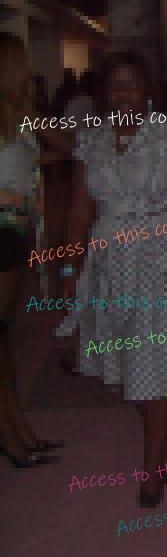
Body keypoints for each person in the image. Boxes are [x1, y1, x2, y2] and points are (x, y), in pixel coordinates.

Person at [55, 51, 167, 506]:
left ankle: (154, 463)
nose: (123, 95)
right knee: (125, 368)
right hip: (111, 264)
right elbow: (78, 211)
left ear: (147, 89)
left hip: (165, 258)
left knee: (152, 363)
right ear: (103, 93)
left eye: (131, 85)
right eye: (115, 86)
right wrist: (69, 268)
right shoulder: (91, 141)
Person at [0, 32, 62, 468]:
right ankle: (12, 435)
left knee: (4, 338)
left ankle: (17, 428)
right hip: (1, 227)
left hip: (15, 231)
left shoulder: (17, 119)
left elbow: (61, 148)